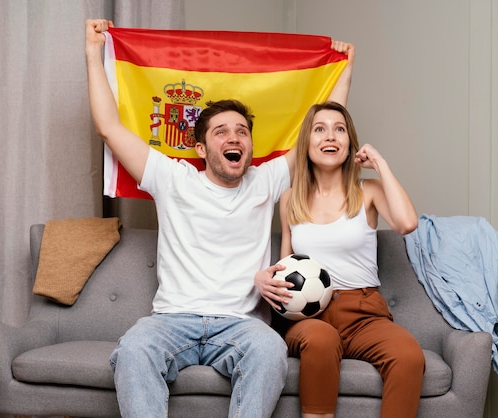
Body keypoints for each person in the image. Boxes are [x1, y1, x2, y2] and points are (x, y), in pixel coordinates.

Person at [85, 19, 354, 417]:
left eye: (242, 132)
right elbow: (109, 128)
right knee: (134, 348)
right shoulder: (172, 177)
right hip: (174, 319)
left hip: (241, 324)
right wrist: (93, 53)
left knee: (269, 351)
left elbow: (317, 132)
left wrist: (343, 68)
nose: (234, 138)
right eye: (221, 132)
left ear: (250, 145)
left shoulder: (266, 181)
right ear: (200, 147)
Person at [255, 101, 425, 418]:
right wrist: (268, 282)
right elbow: (285, 266)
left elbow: (407, 223)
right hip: (308, 318)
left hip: (364, 312)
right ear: (306, 142)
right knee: (322, 340)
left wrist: (381, 165)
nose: (330, 136)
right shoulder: (289, 199)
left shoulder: (369, 192)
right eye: (319, 129)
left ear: (349, 145)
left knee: (409, 356)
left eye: (340, 129)